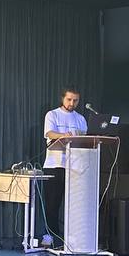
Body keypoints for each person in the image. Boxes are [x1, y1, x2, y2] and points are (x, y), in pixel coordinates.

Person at [42, 86, 87, 244]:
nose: (72, 103)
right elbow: (49, 133)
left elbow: (85, 139)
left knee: (75, 205)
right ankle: (51, 238)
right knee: (52, 204)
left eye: (75, 100)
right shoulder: (52, 114)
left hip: (75, 167)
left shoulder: (80, 119)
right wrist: (64, 135)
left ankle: (73, 239)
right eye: (69, 99)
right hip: (55, 165)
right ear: (62, 98)